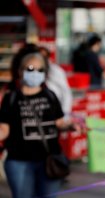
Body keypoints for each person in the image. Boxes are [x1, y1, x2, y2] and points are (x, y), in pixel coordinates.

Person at [0, 44, 84, 198]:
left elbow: (59, 122)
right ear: (20, 71)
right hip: (19, 162)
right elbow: (4, 129)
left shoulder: (50, 95)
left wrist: (71, 125)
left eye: (40, 70)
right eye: (30, 69)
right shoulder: (11, 97)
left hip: (48, 160)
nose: (35, 73)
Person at [39, 46, 73, 120]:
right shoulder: (37, 70)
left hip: (57, 113)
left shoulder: (55, 70)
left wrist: (65, 114)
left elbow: (66, 92)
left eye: (44, 56)